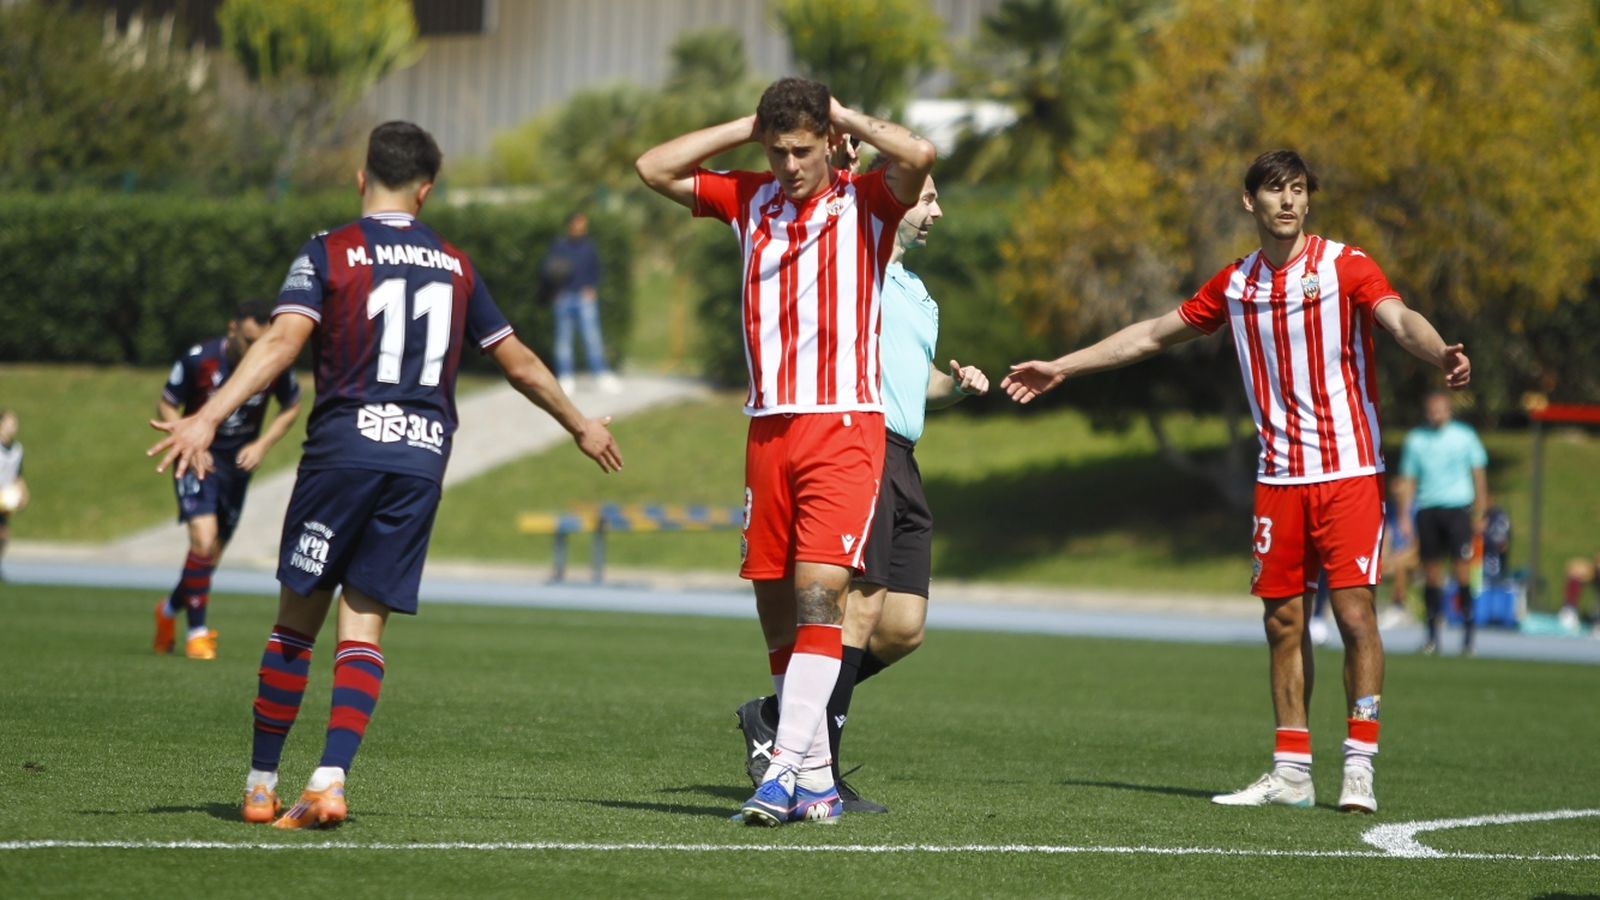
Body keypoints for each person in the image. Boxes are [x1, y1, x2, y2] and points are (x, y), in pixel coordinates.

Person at [148, 121, 622, 830]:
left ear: (360, 177)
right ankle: (330, 781)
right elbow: (516, 358)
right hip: (421, 460)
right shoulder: (457, 265)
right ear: (427, 190)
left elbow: (282, 341)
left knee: (295, 625)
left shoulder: (330, 251)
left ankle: (259, 785)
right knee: (363, 628)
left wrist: (208, 416)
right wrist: (580, 422)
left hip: (343, 453)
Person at [1002, 150, 1471, 814]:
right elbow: (1151, 335)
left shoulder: (1346, 266)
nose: (1288, 201)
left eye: (1299, 190)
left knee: (1355, 613)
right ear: (1248, 202)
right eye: (1275, 190)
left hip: (1347, 471)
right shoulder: (1236, 284)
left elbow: (1398, 318)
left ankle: (1359, 764)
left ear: (1309, 201)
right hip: (1279, 477)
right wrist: (1064, 367)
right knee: (1282, 620)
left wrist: (1439, 349)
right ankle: (1291, 770)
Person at [636, 76, 935, 826]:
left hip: (843, 426)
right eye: (777, 151)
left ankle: (779, 778)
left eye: (802, 151)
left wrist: (841, 118)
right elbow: (652, 167)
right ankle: (822, 784)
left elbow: (921, 152)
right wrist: (749, 124)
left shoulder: (864, 201)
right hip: (768, 428)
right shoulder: (749, 197)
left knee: (818, 598)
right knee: (776, 609)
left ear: (829, 144)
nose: (789, 166)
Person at [733, 160, 989, 814]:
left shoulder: (918, 293)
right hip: (858, 444)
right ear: (893, 200)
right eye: (928, 199)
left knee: (902, 627)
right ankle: (820, 773)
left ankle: (778, 711)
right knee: (858, 609)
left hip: (905, 457)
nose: (936, 213)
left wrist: (953, 386)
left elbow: (919, 378)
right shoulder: (855, 269)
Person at [153, 300, 302, 660]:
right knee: (202, 541)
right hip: (197, 460)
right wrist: (188, 436)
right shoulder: (198, 358)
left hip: (237, 467)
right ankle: (198, 634)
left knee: (209, 558)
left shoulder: (272, 361)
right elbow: (167, 403)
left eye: (261, 341)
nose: (255, 350)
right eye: (249, 341)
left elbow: (292, 405)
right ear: (232, 329)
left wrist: (263, 444)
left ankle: (168, 612)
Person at [1394, 390, 1488, 656]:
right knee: (1432, 572)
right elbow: (1408, 479)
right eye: (1432, 409)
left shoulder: (1464, 436)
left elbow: (1478, 472)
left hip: (1458, 508)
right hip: (1428, 509)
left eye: (1441, 409)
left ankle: (1468, 636)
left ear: (1448, 410)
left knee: (1462, 570)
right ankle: (1432, 635)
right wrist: (1404, 516)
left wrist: (1480, 510)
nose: (1436, 414)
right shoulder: (1416, 440)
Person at [541, 211, 619, 395]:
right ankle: (566, 377)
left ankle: (601, 374)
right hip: (564, 298)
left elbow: (596, 270)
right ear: (570, 225)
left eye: (583, 224)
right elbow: (548, 270)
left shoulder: (589, 247)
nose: (581, 228)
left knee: (592, 338)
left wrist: (592, 288)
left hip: (584, 299)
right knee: (563, 340)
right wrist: (556, 292)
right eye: (577, 224)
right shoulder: (559, 246)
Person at [0, 409, 28, 581]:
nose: (13, 427)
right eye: (9, 423)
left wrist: (23, 492)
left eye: (14, 424)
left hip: (4, 500)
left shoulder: (17, 450)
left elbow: (17, 475)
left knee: (4, 535)